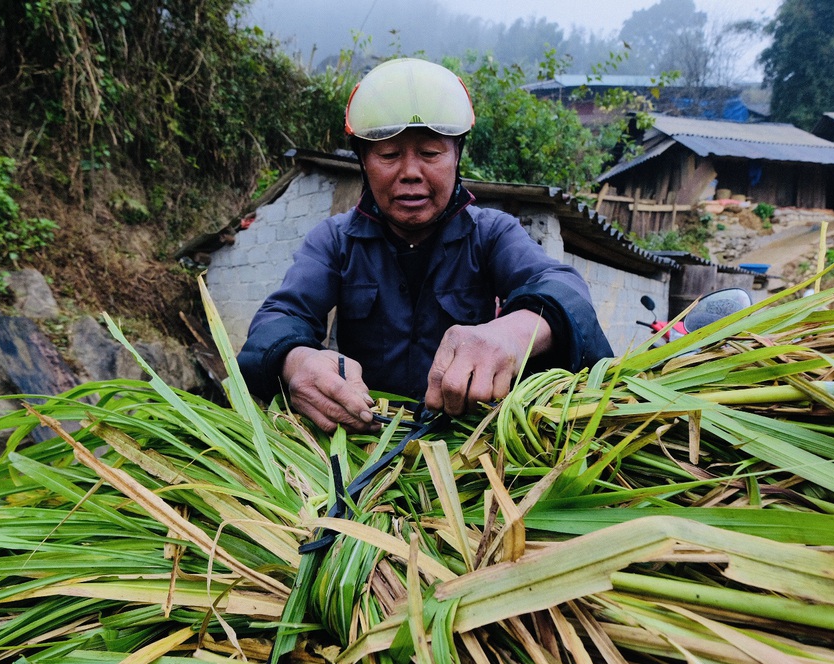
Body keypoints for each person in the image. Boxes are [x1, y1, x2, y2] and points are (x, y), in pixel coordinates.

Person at [238, 58, 613, 432]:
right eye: (389, 155)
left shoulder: (492, 233)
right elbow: (280, 316)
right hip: (363, 441)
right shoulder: (335, 240)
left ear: (456, 157)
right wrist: (295, 359)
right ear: (364, 162)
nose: (411, 172)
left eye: (431, 153)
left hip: (467, 447)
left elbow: (564, 287)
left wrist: (512, 334)